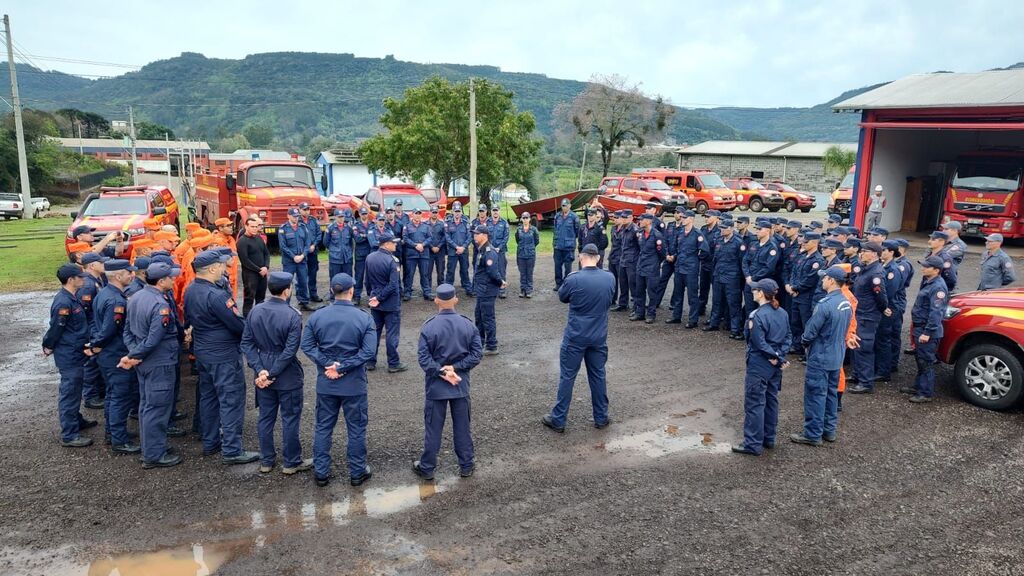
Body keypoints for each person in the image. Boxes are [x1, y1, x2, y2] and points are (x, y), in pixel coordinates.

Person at [300, 273, 377, 487]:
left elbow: (307, 346)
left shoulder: (317, 316)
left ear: (332, 291)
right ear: (351, 291)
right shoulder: (364, 317)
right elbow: (369, 351)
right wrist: (342, 366)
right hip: (353, 384)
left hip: (327, 383)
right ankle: (357, 472)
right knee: (356, 428)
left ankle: (321, 472)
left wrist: (327, 364)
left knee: (323, 427)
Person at [184, 250, 260, 465]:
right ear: (212, 269)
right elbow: (236, 324)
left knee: (208, 397)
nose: (224, 269)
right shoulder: (216, 295)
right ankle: (232, 450)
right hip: (223, 354)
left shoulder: (192, 289)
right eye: (221, 266)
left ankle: (211, 442)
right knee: (231, 399)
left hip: (203, 352)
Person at [241, 271, 313, 475]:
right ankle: (291, 462)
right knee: (290, 418)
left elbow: (246, 343)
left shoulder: (256, 311)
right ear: (287, 290)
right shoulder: (292, 315)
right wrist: (271, 373)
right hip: (286, 374)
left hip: (262, 371)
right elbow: (290, 351)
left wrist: (260, 370)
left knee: (265, 418)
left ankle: (266, 460)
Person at [412, 284, 484, 480]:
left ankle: (427, 468)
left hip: (436, 387)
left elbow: (424, 360)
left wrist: (441, 370)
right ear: (456, 300)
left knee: (433, 428)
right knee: (462, 427)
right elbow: (477, 354)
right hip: (460, 385)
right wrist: (456, 367)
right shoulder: (468, 325)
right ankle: (466, 465)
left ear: (436, 301)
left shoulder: (429, 327)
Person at [542, 244, 616, 433]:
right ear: (598, 258)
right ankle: (601, 416)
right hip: (598, 336)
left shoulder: (574, 279)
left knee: (567, 376)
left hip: (576, 336)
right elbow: (609, 299)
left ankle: (559, 419)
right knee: (598, 375)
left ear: (580, 258)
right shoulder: (609, 277)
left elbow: (563, 297)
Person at [120, 262, 182, 468]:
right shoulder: (160, 305)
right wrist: (135, 355)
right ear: (162, 281)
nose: (174, 280)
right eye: (171, 278)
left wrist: (134, 354)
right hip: (159, 362)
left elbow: (127, 331)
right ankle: (154, 455)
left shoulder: (136, 297)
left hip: (144, 361)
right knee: (157, 408)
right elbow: (154, 338)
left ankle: (151, 447)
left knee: (147, 406)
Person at [789, 266, 853, 447]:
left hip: (821, 355)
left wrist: (803, 342)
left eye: (825, 278)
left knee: (815, 394)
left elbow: (810, 333)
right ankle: (829, 430)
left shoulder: (825, 304)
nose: (822, 280)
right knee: (831, 394)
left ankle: (813, 433)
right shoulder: (845, 302)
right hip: (837, 353)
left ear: (832, 281)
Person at [732, 279, 791, 456]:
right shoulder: (782, 313)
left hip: (759, 364)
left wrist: (773, 356)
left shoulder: (756, 316)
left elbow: (758, 342)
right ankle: (769, 438)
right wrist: (779, 357)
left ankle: (752, 443)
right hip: (774, 365)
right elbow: (788, 337)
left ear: (761, 293)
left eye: (755, 290)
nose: (752, 292)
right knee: (771, 400)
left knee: (755, 403)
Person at [87, 259, 140, 454]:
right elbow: (110, 330)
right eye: (129, 273)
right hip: (115, 353)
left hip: (107, 355)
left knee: (112, 395)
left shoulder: (104, 293)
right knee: (120, 396)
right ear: (118, 276)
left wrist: (96, 344)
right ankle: (119, 440)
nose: (132, 275)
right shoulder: (117, 300)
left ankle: (112, 432)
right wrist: (95, 345)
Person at [42, 264, 98, 447]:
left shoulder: (71, 298)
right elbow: (57, 327)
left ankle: (76, 421)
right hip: (69, 354)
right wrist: (48, 345)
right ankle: (69, 434)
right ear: (71, 279)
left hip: (75, 350)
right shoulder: (64, 302)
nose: (83, 279)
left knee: (75, 389)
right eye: (79, 276)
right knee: (70, 393)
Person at [901, 256, 949, 404]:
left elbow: (936, 313)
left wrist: (927, 333)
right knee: (920, 359)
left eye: (926, 266)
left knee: (926, 362)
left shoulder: (938, 287)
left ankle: (925, 392)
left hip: (927, 331)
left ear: (936, 270)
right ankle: (918, 386)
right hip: (920, 328)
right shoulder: (929, 282)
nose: (923, 268)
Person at [847, 242, 889, 394]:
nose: (861, 253)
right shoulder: (865, 269)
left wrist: (883, 309)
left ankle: (866, 382)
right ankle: (857, 374)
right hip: (859, 314)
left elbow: (881, 296)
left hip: (867, 315)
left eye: (864, 251)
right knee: (856, 346)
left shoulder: (875, 273)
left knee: (864, 348)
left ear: (874, 254)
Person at [365, 231, 407, 372]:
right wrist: (380, 297)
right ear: (386, 244)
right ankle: (393, 363)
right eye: (393, 242)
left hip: (375, 302)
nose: (395, 245)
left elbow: (367, 281)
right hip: (389, 303)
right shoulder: (392, 260)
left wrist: (373, 296)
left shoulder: (370, 257)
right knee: (392, 334)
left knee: (374, 333)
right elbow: (393, 285)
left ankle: (370, 362)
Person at [874, 240, 910, 385]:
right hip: (884, 307)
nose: (881, 252)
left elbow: (888, 292)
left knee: (884, 339)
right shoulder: (883, 266)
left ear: (891, 252)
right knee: (880, 339)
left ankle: (884, 372)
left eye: (884, 250)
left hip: (890, 308)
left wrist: (880, 305)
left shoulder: (893, 270)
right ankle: (880, 367)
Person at [785, 232, 825, 360]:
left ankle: (806, 351)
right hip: (796, 295)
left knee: (806, 324)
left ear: (814, 243)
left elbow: (810, 280)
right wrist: (791, 286)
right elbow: (794, 272)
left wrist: (795, 288)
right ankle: (797, 346)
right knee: (795, 322)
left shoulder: (817, 260)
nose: (803, 243)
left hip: (805, 297)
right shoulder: (802, 256)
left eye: (806, 241)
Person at [667, 210, 708, 328]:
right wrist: (673, 256)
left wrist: (695, 259)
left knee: (692, 296)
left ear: (691, 219)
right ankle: (676, 316)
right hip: (679, 267)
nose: (682, 218)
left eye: (685, 217)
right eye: (682, 217)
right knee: (678, 294)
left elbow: (705, 251)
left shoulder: (697, 234)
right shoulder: (680, 232)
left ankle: (693, 320)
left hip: (691, 269)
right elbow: (676, 247)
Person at [78, 252, 108, 410]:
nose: (103, 265)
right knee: (91, 363)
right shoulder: (88, 285)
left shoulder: (96, 280)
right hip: (91, 328)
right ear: (91, 266)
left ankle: (98, 392)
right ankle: (90, 396)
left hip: (95, 326)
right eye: (100, 262)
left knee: (96, 361)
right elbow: (83, 311)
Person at [707, 218, 745, 339]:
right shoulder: (719, 240)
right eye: (721, 228)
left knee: (733, 304)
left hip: (732, 277)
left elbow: (742, 262)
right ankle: (714, 323)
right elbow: (715, 258)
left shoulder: (738, 243)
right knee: (716, 301)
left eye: (724, 228)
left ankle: (735, 329)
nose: (722, 230)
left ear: (731, 228)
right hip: (718, 275)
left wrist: (738, 277)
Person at [472, 225, 507, 354]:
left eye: (477, 234)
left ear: (484, 236)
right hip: (482, 289)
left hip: (487, 290)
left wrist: (500, 282)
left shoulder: (489, 251)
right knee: (479, 317)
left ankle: (492, 345)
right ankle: (479, 343)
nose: (475, 236)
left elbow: (492, 272)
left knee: (487, 318)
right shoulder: (482, 250)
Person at [631, 214, 665, 324]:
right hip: (641, 267)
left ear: (648, 221)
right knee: (639, 291)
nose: (639, 222)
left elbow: (662, 253)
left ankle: (651, 314)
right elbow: (638, 248)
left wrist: (655, 263)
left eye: (642, 220)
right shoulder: (639, 233)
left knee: (652, 293)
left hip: (652, 268)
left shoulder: (657, 235)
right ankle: (640, 313)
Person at [741, 219, 780, 317]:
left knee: (761, 310)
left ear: (767, 230)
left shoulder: (772, 247)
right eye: (756, 229)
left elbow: (769, 268)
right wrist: (747, 276)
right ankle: (748, 330)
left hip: (761, 283)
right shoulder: (754, 244)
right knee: (749, 308)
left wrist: (752, 278)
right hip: (749, 282)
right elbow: (745, 261)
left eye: (759, 229)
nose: (757, 231)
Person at [280, 208, 315, 311]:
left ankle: (304, 302)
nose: (296, 218)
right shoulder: (283, 229)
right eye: (294, 216)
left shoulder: (303, 227)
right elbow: (283, 246)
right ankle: (286, 304)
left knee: (303, 281)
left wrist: (303, 255)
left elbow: (307, 243)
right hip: (289, 261)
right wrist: (293, 256)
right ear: (288, 216)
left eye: (297, 216)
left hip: (302, 260)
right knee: (287, 282)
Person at [237, 216, 270, 316]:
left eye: (256, 226)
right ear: (246, 226)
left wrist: (266, 267)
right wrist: (259, 269)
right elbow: (245, 260)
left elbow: (266, 254)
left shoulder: (259, 238)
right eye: (252, 226)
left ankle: (259, 317)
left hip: (262, 273)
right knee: (249, 298)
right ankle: (247, 320)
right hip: (250, 274)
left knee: (261, 298)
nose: (255, 229)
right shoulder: (242, 241)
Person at [402, 209, 434, 301]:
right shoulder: (407, 226)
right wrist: (415, 245)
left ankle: (427, 292)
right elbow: (405, 238)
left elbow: (430, 238)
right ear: (412, 215)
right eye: (416, 214)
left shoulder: (426, 226)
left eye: (419, 214)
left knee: (425, 274)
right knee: (409, 274)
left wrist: (422, 245)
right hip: (411, 254)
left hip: (424, 254)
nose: (418, 216)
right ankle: (407, 293)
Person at [445, 201, 473, 296]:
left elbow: (470, 236)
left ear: (461, 211)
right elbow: (447, 237)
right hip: (453, 251)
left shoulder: (466, 222)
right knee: (450, 271)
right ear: (452, 211)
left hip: (463, 251)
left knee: (465, 270)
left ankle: (468, 288)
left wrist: (463, 247)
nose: (457, 213)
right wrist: (457, 247)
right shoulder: (448, 222)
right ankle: (448, 290)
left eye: (459, 211)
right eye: (455, 211)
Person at [697, 209, 722, 317]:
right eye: (705, 217)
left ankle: (716, 313)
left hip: (714, 264)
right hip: (704, 263)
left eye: (709, 216)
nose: (706, 218)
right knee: (703, 287)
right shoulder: (703, 229)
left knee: (716, 291)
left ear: (716, 218)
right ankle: (701, 308)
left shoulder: (720, 231)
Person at [614, 211, 640, 312]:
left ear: (631, 218)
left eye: (626, 217)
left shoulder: (635, 230)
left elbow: (640, 247)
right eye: (623, 217)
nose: (623, 219)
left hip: (632, 261)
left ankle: (636, 307)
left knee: (633, 284)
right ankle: (623, 304)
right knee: (623, 283)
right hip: (623, 259)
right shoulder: (624, 229)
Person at [553, 199, 581, 289]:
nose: (564, 207)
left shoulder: (574, 217)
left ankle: (567, 284)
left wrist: (570, 239)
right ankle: (558, 284)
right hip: (558, 246)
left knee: (568, 267)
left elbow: (577, 232)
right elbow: (555, 229)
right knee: (557, 266)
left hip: (569, 247)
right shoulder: (557, 216)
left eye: (565, 205)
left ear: (570, 206)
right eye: (562, 206)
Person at [298, 202, 323, 303]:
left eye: (307, 209)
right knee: (301, 275)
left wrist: (314, 245)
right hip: (302, 252)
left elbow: (319, 234)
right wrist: (306, 248)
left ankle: (313, 294)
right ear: (299, 210)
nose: (306, 211)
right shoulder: (297, 220)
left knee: (313, 274)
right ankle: (302, 297)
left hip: (313, 252)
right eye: (304, 209)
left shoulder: (313, 220)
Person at [515, 211, 540, 298]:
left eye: (527, 218)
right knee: (522, 273)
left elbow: (536, 241)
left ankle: (529, 290)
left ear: (529, 219)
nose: (525, 219)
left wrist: (530, 247)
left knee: (529, 273)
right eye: (523, 218)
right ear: (521, 219)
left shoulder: (534, 230)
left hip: (530, 255)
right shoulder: (518, 229)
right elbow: (517, 240)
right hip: (521, 254)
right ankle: (523, 289)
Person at [213, 217, 239, 297]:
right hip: (224, 277)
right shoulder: (217, 241)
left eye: (231, 226)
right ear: (220, 228)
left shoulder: (231, 239)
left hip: (233, 276)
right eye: (228, 226)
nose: (231, 228)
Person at [352, 206, 373, 304]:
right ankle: (357, 296)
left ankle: (371, 296)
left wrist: (364, 235)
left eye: (366, 213)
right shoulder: (356, 225)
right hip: (360, 255)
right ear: (359, 214)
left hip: (371, 254)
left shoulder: (372, 224)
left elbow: (375, 236)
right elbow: (357, 239)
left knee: (371, 277)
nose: (364, 215)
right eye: (362, 213)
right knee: (359, 276)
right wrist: (368, 235)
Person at [325, 209, 354, 280]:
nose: (341, 219)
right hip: (335, 259)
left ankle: (348, 291)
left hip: (347, 259)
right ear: (335, 217)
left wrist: (349, 252)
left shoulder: (349, 228)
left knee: (347, 279)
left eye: (342, 217)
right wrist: (334, 251)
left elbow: (351, 242)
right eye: (339, 217)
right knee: (335, 279)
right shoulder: (330, 228)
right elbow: (326, 242)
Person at [489, 206, 511, 298]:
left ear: (499, 211)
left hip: (500, 251)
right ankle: (492, 289)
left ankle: (502, 290)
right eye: (493, 211)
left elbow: (506, 237)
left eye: (496, 210)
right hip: (490, 251)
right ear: (491, 211)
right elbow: (485, 236)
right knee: (490, 270)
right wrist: (491, 247)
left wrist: (499, 247)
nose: (495, 212)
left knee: (501, 270)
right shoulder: (487, 222)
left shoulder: (504, 223)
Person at [426, 207, 447, 291]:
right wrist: (431, 246)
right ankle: (428, 290)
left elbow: (445, 237)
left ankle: (441, 290)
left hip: (440, 251)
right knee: (428, 272)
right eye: (433, 212)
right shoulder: (425, 224)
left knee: (441, 271)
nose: (434, 214)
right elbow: (425, 237)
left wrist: (438, 246)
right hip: (429, 251)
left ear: (437, 213)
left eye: (435, 212)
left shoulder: (442, 224)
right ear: (430, 213)